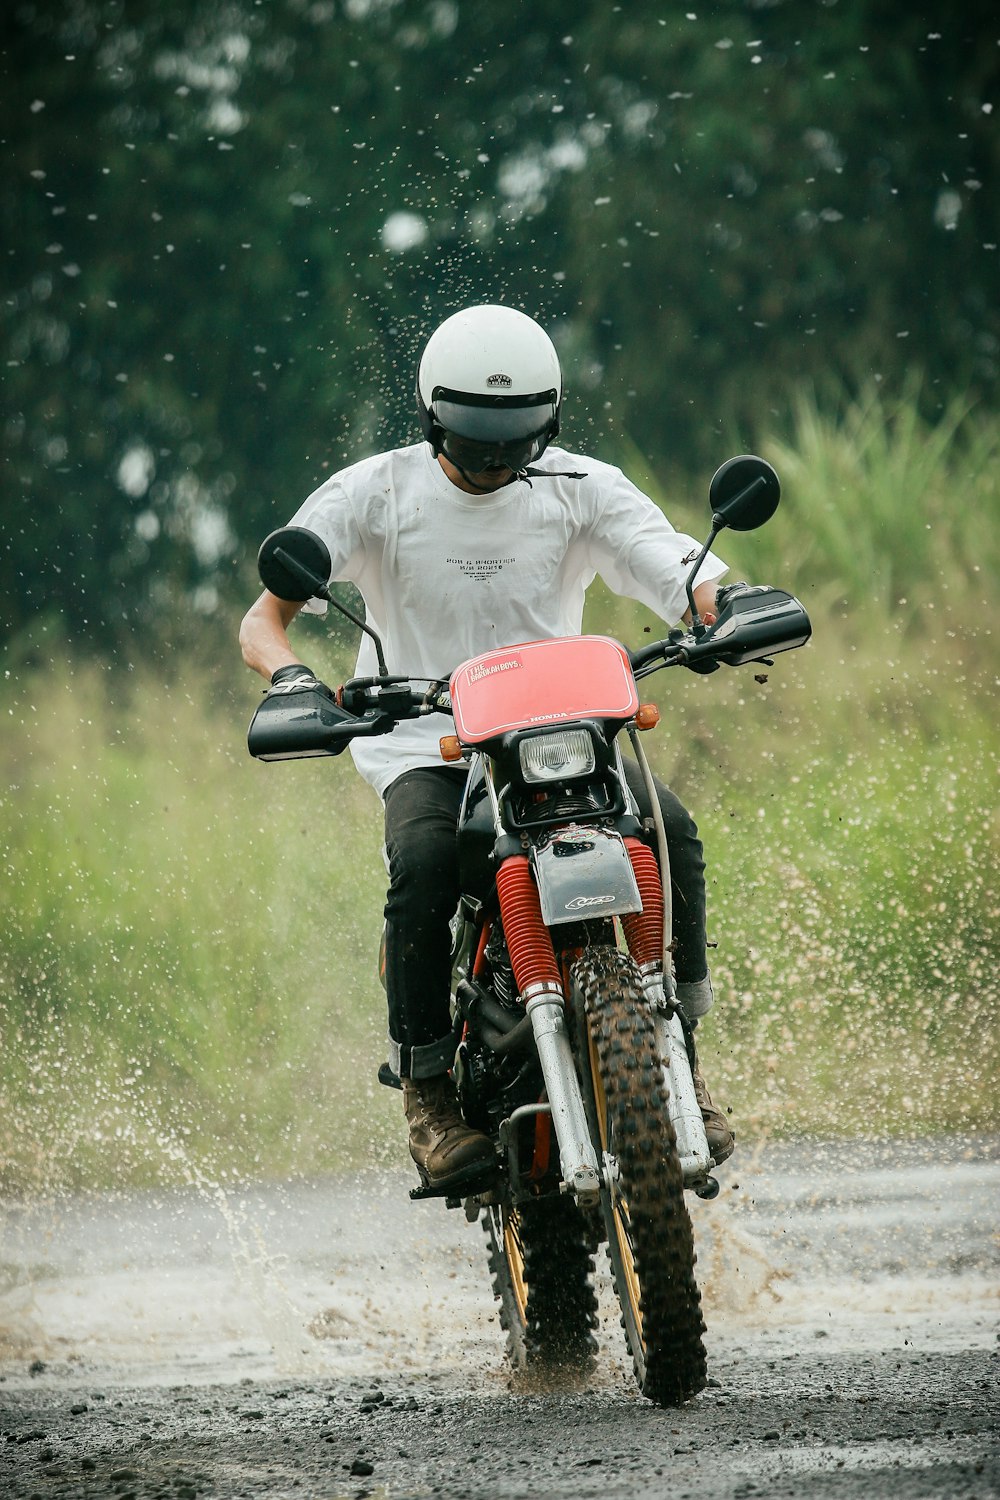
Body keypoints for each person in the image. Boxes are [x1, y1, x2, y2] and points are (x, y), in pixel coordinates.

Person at [239, 304, 735, 1192]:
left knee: (672, 831)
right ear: (435, 417)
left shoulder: (582, 487)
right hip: (424, 742)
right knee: (425, 861)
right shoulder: (375, 494)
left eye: (518, 443)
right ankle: (427, 1091)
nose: (498, 463)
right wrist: (292, 679)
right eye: (477, 445)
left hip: (563, 732)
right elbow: (264, 618)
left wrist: (725, 610)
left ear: (549, 421)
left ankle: (684, 1052)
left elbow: (682, 573)